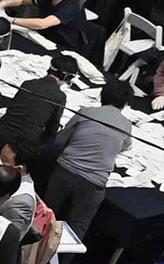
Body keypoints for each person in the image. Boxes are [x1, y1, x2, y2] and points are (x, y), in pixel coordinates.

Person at [38, 82, 136, 234]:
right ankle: (63, 257)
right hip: (94, 183)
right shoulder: (126, 125)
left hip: (66, 171)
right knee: (77, 228)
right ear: (125, 104)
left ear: (102, 95)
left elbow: (59, 141)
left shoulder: (86, 112)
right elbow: (125, 147)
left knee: (46, 216)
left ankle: (29, 253)